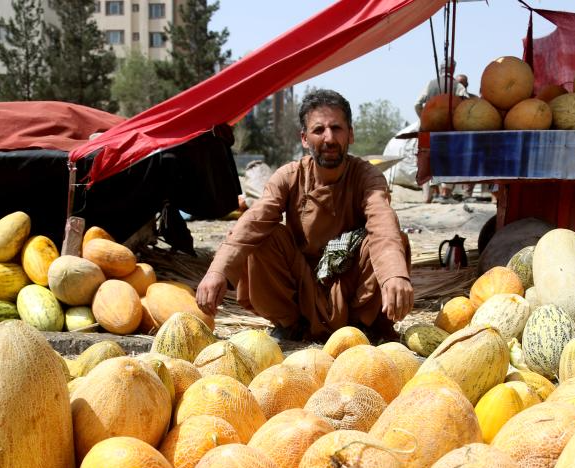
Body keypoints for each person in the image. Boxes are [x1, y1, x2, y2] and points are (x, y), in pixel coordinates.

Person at [196, 89, 414, 343]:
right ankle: (290, 326)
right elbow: (253, 221)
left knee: (394, 240)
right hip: (301, 290)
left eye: (336, 128)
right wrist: (217, 272)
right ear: (304, 138)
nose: (329, 138)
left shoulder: (367, 177)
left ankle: (359, 329)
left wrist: (394, 274)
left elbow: (382, 220)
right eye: (319, 130)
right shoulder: (289, 177)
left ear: (350, 134)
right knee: (263, 237)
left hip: (351, 292)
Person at [415, 59, 468, 203]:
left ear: (440, 69)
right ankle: (445, 193)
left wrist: (424, 119)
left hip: (429, 128)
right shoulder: (456, 85)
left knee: (428, 158)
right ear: (453, 69)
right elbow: (466, 102)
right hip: (448, 128)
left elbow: (417, 104)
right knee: (448, 159)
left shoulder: (430, 84)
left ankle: (428, 195)